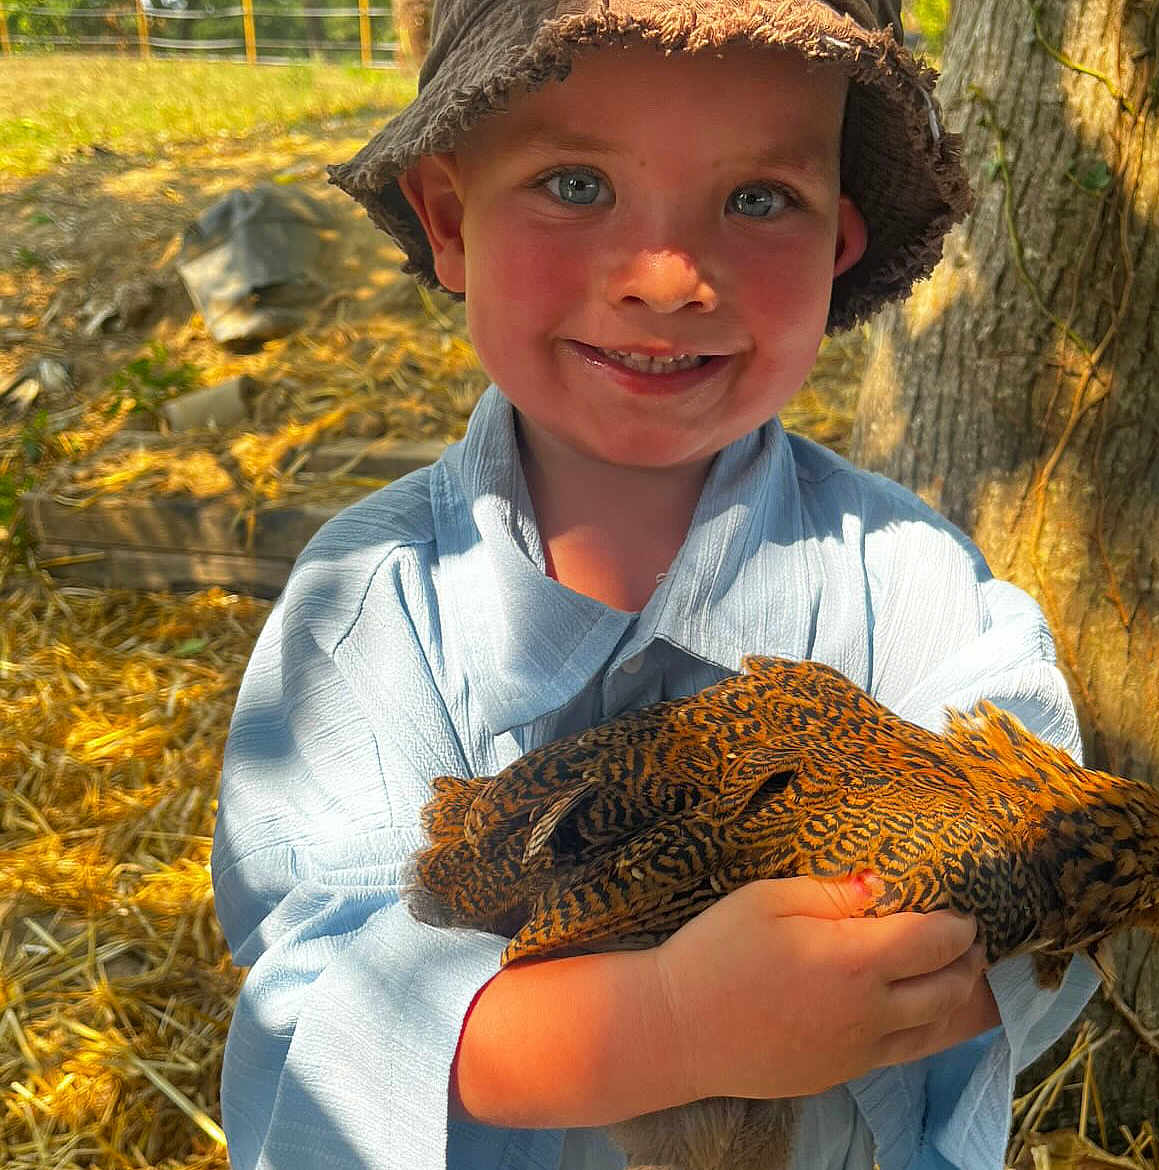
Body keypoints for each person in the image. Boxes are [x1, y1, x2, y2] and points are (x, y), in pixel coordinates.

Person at [211, 1, 1100, 1168]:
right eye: (576, 184)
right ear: (448, 218)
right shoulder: (367, 613)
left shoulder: (915, 588)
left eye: (757, 200)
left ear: (837, 247)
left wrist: (943, 954)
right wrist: (666, 1026)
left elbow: (1037, 907)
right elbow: (320, 1009)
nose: (668, 277)